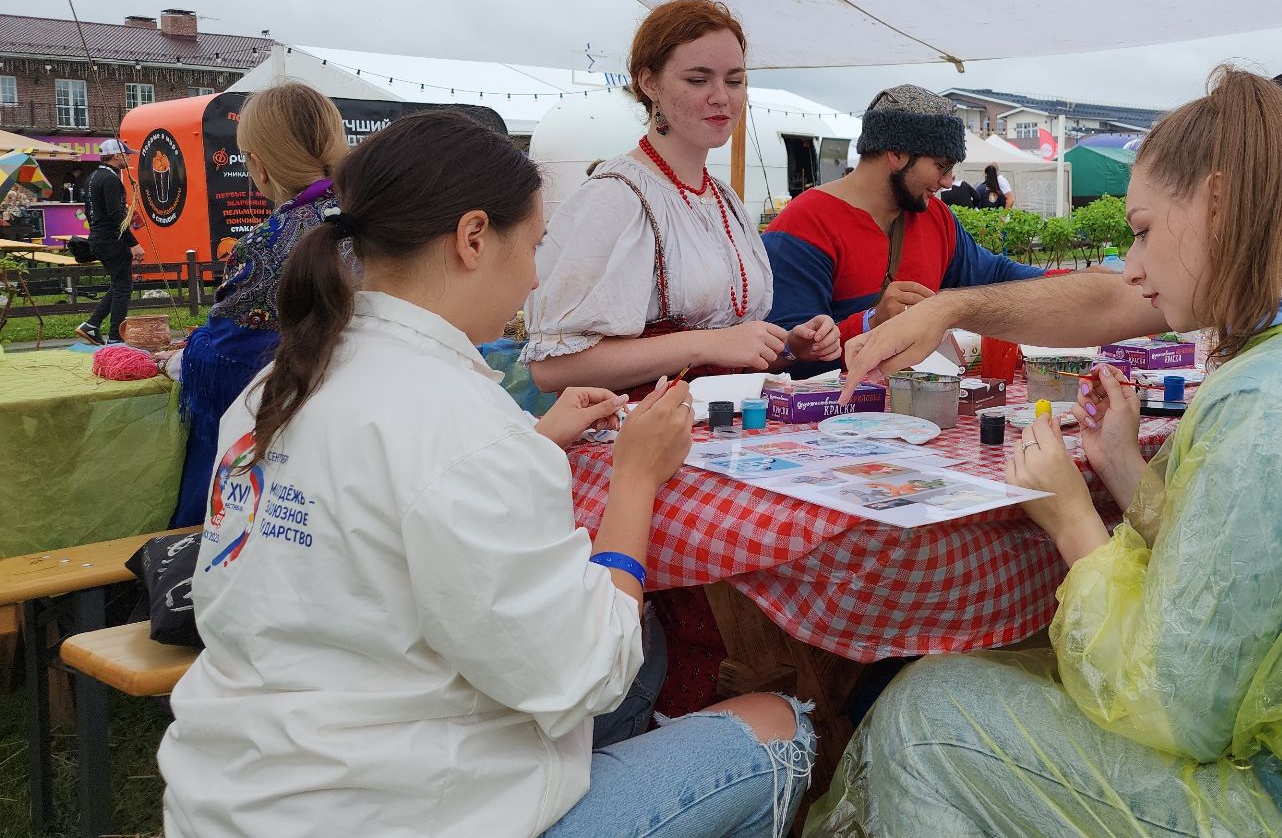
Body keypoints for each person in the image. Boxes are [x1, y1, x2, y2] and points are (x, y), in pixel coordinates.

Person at [808, 69, 1282, 836]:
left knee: (924, 716)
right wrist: (1122, 467)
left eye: (1141, 231)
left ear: (1218, 204)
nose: (1132, 266)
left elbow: (1175, 706)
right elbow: (1257, 582)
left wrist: (1074, 523)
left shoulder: (1273, 396)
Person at [158, 112, 815, 838]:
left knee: (643, 666)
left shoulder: (275, 389)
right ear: (473, 238)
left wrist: (532, 441)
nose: (534, 278)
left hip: (232, 795)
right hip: (401, 809)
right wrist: (636, 479)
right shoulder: (461, 424)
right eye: (534, 247)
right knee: (778, 726)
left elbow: (392, 512)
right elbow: (589, 671)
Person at [524, 0, 841, 394]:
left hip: (722, 422)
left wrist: (789, 347)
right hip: (637, 427)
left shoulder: (723, 200)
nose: (721, 96)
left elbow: (728, 351)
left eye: (734, 81)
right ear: (649, 83)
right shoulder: (615, 197)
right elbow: (554, 368)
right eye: (697, 80)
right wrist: (707, 344)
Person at [763, 86, 1044, 377]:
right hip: (831, 406)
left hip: (918, 400)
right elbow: (784, 357)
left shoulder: (935, 217)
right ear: (896, 153)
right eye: (941, 166)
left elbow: (995, 274)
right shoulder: (804, 224)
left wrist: (1068, 283)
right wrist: (872, 322)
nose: (948, 182)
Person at [172, 83, 349, 527]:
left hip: (278, 457)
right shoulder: (375, 220)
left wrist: (186, 352)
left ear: (258, 165)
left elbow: (228, 362)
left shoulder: (265, 243)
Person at [74, 138, 144, 346]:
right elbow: (115, 215)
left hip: (98, 237)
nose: (129, 158)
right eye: (126, 154)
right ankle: (116, 338)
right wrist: (133, 243)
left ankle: (91, 325)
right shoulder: (111, 179)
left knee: (119, 283)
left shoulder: (92, 177)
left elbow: (90, 212)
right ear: (116, 156)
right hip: (111, 239)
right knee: (123, 287)